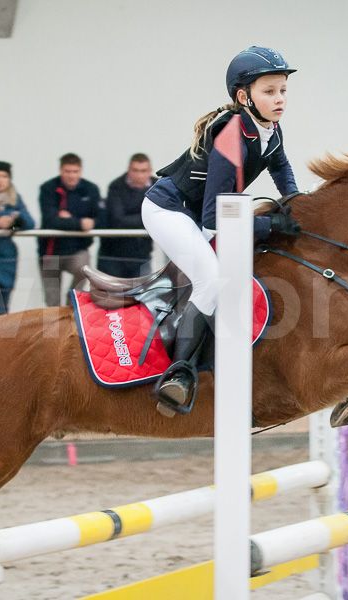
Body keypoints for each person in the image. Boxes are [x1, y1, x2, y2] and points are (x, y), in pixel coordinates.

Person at [143, 45, 302, 408]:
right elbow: (215, 219)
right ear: (244, 97)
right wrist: (270, 225)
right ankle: (178, 374)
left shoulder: (270, 129)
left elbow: (280, 167)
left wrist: (298, 204)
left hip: (198, 213)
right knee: (211, 281)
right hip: (168, 210)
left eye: (283, 90)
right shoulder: (231, 137)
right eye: (270, 91)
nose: (280, 98)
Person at [38, 153, 102, 306]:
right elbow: (50, 220)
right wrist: (80, 223)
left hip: (77, 249)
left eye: (75, 171)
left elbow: (101, 219)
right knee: (52, 302)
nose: (71, 175)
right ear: (61, 170)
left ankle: (70, 305)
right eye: (67, 171)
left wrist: (68, 219)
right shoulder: (48, 188)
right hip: (50, 252)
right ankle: (56, 320)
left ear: (81, 171)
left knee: (84, 272)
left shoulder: (91, 189)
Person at [0, 160, 35, 316]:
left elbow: (30, 222)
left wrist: (14, 222)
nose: (0, 180)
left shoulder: (14, 198)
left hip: (5, 254)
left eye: (4, 176)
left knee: (3, 294)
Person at [97, 153, 158, 278]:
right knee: (111, 291)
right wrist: (148, 218)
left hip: (142, 252)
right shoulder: (116, 186)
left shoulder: (158, 186)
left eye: (143, 171)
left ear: (150, 171)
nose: (139, 175)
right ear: (129, 170)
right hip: (114, 253)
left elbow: (162, 216)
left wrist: (133, 218)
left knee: (142, 290)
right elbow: (118, 220)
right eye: (135, 170)